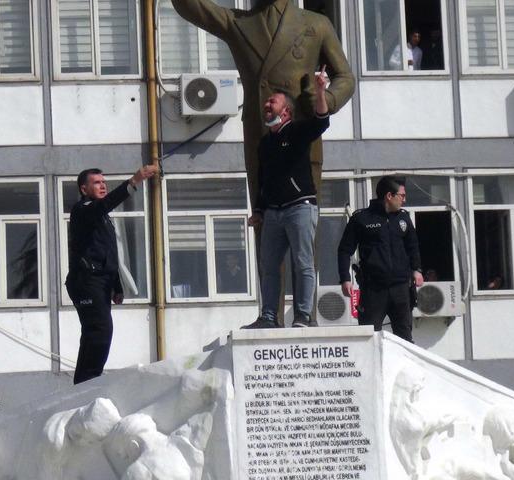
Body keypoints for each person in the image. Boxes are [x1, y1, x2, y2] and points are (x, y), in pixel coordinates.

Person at [171, 0, 355, 319]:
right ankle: (269, 315)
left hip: (302, 134)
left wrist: (325, 98)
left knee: (303, 245)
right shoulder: (239, 22)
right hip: (261, 138)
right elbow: (190, 6)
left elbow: (346, 77)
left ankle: (304, 315)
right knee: (265, 236)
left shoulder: (316, 24)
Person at [243, 65, 331, 329]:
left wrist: (319, 91)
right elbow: (264, 180)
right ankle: (269, 316)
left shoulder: (295, 131)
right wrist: (259, 210)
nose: (267, 103)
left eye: (274, 101)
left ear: (286, 111)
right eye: (267, 100)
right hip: (273, 211)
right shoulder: (265, 143)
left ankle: (304, 315)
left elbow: (321, 122)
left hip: (300, 207)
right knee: (268, 265)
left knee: (303, 262)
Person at [66, 164, 158, 384]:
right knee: (99, 330)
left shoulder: (103, 217)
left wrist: (116, 285)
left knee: (99, 332)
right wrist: (133, 182)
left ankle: (87, 381)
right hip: (86, 281)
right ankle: (87, 382)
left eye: (104, 182)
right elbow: (103, 206)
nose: (103, 185)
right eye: (96, 182)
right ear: (84, 189)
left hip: (102, 281)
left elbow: (108, 251)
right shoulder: (83, 210)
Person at [337, 176, 423, 342]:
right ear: (389, 196)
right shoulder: (361, 218)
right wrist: (344, 279)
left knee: (405, 338)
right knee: (369, 338)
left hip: (401, 288)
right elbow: (344, 250)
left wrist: (417, 270)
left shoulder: (403, 218)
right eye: (402, 195)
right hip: (373, 290)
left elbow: (413, 247)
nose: (404, 200)